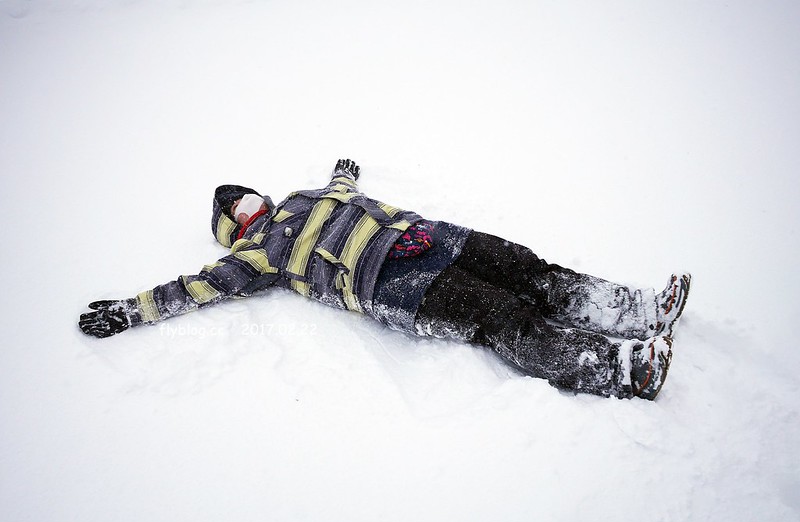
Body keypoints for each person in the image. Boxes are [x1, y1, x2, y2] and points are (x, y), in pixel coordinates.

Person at [79, 159, 691, 400]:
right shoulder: (255, 254)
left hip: (428, 235)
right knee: (501, 314)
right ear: (232, 227)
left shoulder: (302, 196)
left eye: (244, 195)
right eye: (234, 209)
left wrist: (343, 172)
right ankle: (619, 369)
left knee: (526, 267)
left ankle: (635, 308)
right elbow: (194, 289)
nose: (247, 204)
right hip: (393, 283)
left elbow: (341, 190)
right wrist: (133, 309)